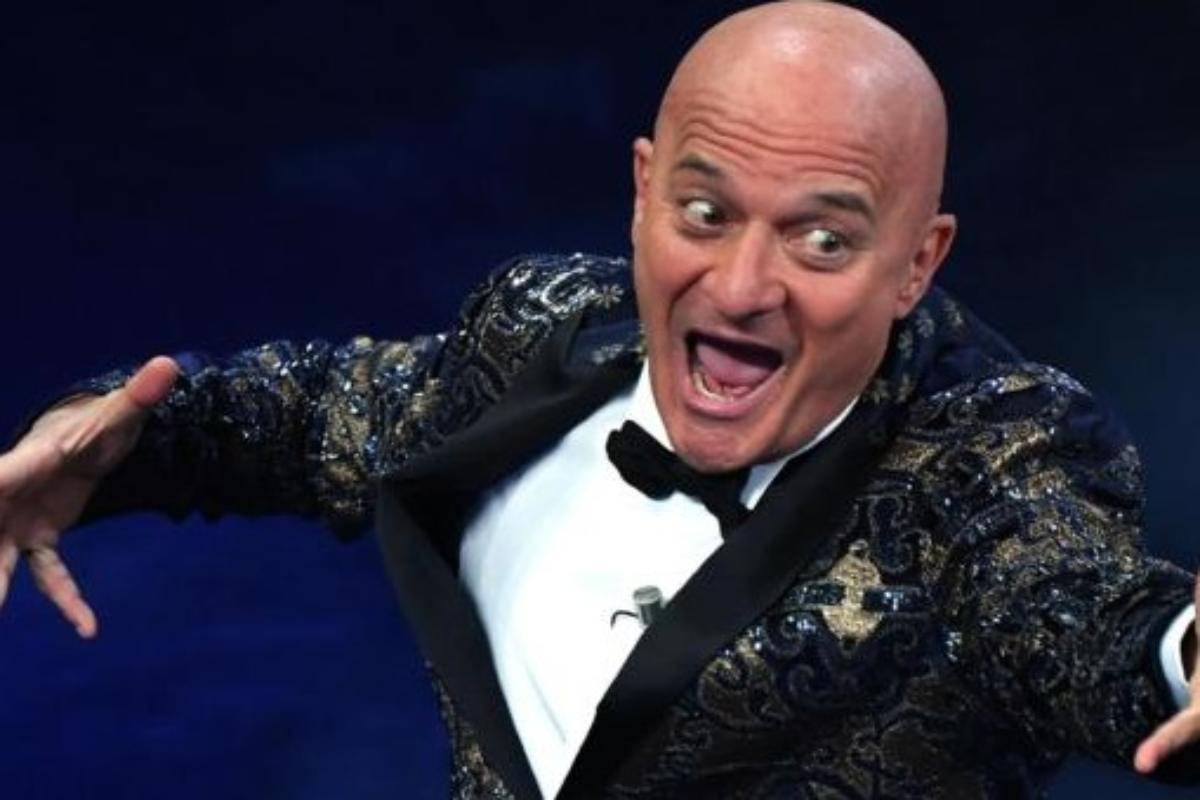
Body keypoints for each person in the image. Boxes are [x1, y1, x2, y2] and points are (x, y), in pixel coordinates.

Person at [2, 2, 1199, 797]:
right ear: (643, 191)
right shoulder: (541, 329)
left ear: (917, 262)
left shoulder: (998, 450)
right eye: (705, 211)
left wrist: (1178, 651)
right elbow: (319, 412)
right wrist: (101, 445)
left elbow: (1073, 609)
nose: (743, 285)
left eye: (823, 240)